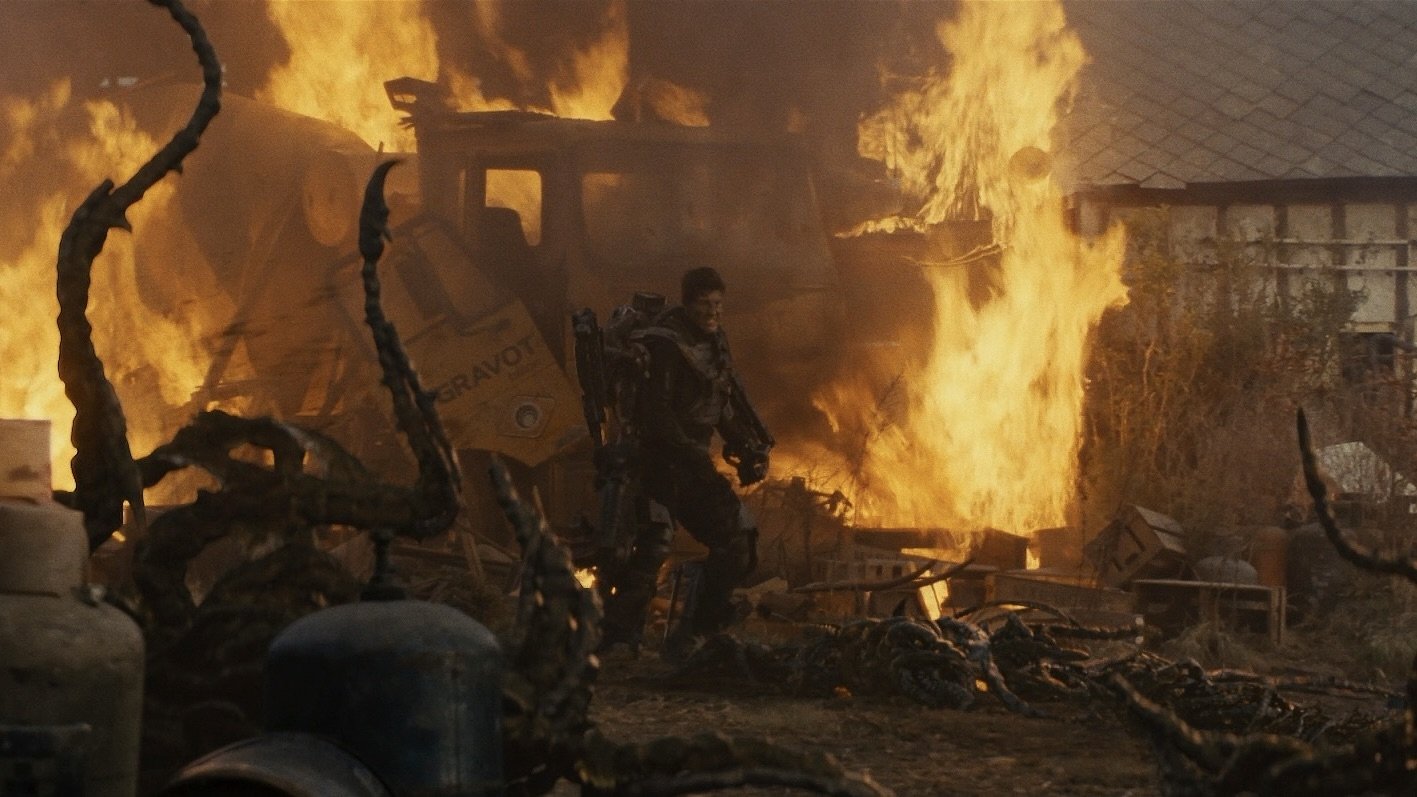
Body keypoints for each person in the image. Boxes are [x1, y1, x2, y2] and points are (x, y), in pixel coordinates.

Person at [632, 266, 772, 658]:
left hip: (691, 463)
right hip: (660, 463)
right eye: (704, 304)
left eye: (717, 304)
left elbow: (717, 401)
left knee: (739, 543)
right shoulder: (666, 345)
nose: (712, 312)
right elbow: (656, 413)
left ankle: (699, 630)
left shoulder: (713, 343)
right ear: (687, 302)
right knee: (647, 554)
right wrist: (689, 453)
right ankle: (620, 642)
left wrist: (743, 443)